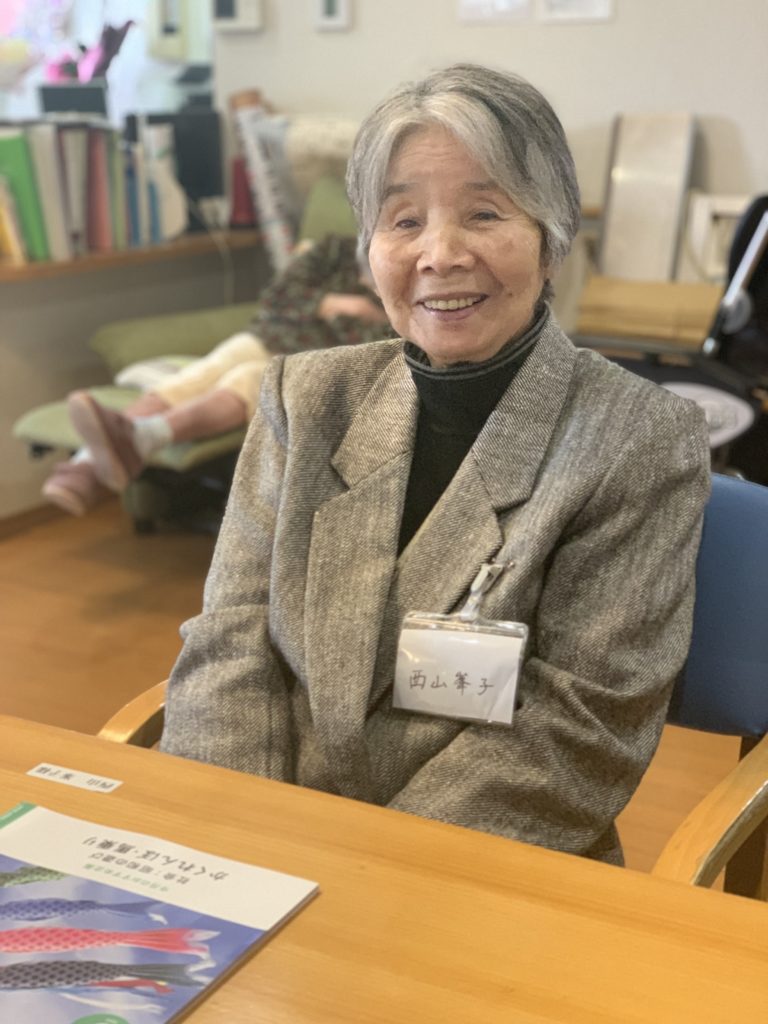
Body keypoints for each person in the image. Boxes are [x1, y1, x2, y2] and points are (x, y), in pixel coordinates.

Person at [159, 64, 710, 866]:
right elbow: (230, 641)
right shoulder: (303, 398)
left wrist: (368, 873)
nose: (440, 255)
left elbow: (577, 730)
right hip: (264, 845)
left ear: (552, 239)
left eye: (484, 213)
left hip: (472, 866)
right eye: (404, 220)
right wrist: (231, 842)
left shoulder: (639, 438)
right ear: (369, 248)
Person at [42, 234, 391, 515]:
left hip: (312, 366)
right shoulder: (333, 251)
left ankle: (122, 448)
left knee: (249, 379)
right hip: (270, 337)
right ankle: (91, 465)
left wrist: (364, 312)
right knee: (201, 374)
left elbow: (377, 355)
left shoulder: (399, 284)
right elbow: (277, 297)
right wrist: (338, 304)